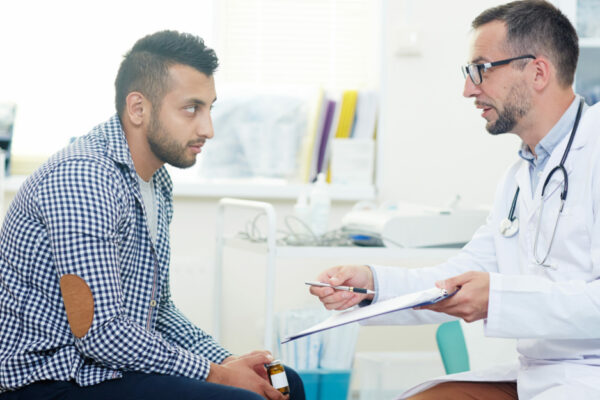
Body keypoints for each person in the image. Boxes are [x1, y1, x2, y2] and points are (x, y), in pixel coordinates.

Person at [310, 1, 600, 399]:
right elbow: (460, 277)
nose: (468, 89)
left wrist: (497, 298)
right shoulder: (519, 176)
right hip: (540, 374)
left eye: (480, 69)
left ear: (537, 71)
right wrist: (372, 285)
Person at [0, 30, 304, 400]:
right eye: (191, 108)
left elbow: (158, 313)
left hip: (107, 368)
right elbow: (101, 333)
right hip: (50, 381)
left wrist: (229, 361)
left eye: (210, 108)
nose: (208, 129)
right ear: (138, 109)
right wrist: (219, 376)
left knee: (283, 381)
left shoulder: (155, 181)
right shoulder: (83, 179)